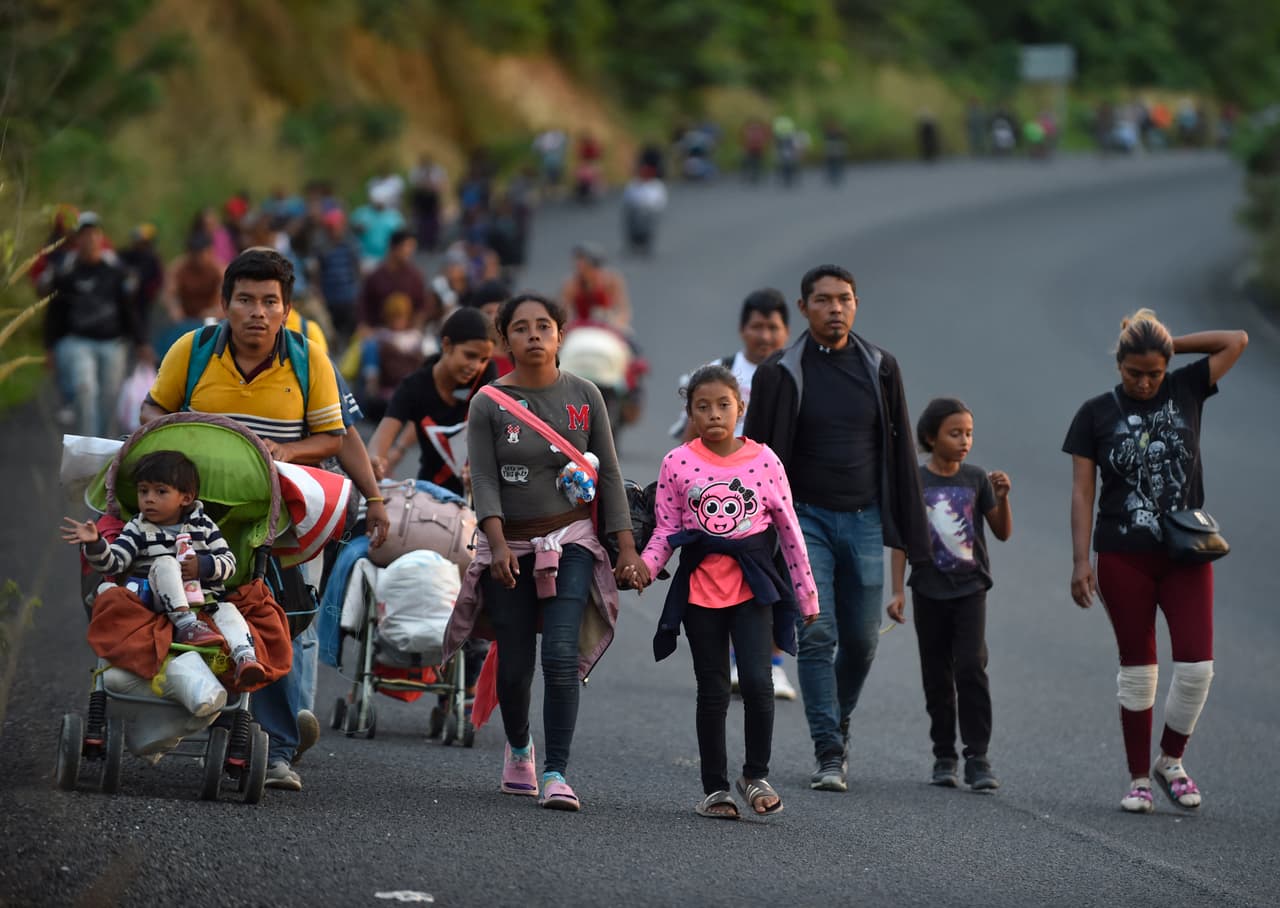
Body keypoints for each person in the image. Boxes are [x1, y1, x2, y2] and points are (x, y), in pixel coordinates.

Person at [141, 247, 388, 792]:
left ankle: (275, 749)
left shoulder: (309, 358)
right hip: (197, 515)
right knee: (185, 605)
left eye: (269, 302)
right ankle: (187, 713)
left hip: (281, 520)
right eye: (245, 299)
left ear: (286, 309)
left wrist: (291, 455)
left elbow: (336, 437)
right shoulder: (193, 350)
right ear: (225, 304)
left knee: (272, 615)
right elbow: (152, 412)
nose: (257, 311)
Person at [443, 293, 648, 812]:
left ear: (560, 336)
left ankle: (556, 771)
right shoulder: (488, 402)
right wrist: (494, 544)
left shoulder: (586, 396)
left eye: (544, 327)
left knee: (560, 655)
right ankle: (518, 748)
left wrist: (626, 548)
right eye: (521, 328)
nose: (534, 335)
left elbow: (610, 476)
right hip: (509, 545)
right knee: (514, 665)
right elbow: (483, 478)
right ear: (504, 340)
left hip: (572, 541)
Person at [743, 264, 930, 792]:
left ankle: (837, 719)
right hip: (805, 520)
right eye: (823, 300)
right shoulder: (779, 372)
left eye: (844, 299)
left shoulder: (881, 367)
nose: (835, 308)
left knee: (864, 641)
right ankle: (829, 749)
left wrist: (912, 538)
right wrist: (753, 536)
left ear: (856, 303)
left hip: (867, 519)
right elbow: (755, 458)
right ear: (803, 309)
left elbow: (900, 453)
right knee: (818, 632)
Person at [1063, 309, 1247, 813]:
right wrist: (1081, 561)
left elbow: (1236, 337)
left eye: (1154, 373)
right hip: (1123, 555)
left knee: (1196, 669)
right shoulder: (1094, 413)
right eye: (1134, 373)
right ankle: (1139, 779)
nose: (1145, 382)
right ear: (1118, 365)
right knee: (1139, 672)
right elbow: (1083, 493)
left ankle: (1171, 760)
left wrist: (1168, 344)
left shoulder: (1186, 388)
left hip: (1186, 552)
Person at [637, 365, 818, 819]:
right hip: (699, 592)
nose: (714, 414)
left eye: (723, 405)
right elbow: (666, 530)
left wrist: (807, 596)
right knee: (713, 689)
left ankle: (755, 775)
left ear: (741, 407)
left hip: (752, 588)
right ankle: (715, 788)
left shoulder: (765, 461)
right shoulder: (677, 462)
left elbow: (790, 531)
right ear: (690, 412)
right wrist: (643, 568)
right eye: (703, 407)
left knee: (758, 683)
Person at [671, 289, 796, 699]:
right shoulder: (721, 371)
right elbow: (691, 434)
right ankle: (729, 658)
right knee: (719, 573)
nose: (765, 336)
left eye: (773, 327)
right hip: (718, 496)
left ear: (786, 331)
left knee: (774, 578)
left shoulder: (793, 373)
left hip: (771, 494)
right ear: (743, 329)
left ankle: (772, 664)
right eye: (757, 326)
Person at [886, 399, 1012, 791]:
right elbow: (902, 542)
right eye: (954, 433)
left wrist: (1003, 497)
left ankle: (978, 757)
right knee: (936, 674)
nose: (964, 441)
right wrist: (896, 592)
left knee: (971, 666)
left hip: (971, 587)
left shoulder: (976, 479)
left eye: (969, 433)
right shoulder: (917, 482)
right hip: (927, 589)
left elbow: (1002, 532)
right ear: (930, 437)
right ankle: (944, 755)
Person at [62, 450, 266, 687]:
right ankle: (185, 624)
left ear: (185, 498)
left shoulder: (204, 526)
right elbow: (114, 562)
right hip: (158, 602)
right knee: (166, 562)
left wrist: (204, 565)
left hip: (204, 601)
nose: (149, 499)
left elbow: (229, 563)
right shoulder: (138, 527)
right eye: (143, 491)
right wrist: (96, 543)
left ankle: (245, 657)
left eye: (160, 492)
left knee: (229, 610)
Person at [45, 212, 151, 438]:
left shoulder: (116, 270)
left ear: (100, 237)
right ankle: (87, 445)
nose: (90, 239)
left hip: (113, 344)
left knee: (109, 399)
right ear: (77, 239)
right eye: (85, 235)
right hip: (79, 342)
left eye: (94, 234)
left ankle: (102, 447)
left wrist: (141, 342)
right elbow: (54, 311)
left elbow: (128, 309)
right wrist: (50, 346)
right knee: (85, 389)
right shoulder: (67, 272)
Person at [369, 307, 498, 492]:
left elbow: (497, 432)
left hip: (480, 495)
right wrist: (375, 460)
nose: (476, 366)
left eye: (483, 359)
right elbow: (380, 441)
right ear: (446, 345)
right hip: (432, 497)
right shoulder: (413, 387)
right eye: (469, 355)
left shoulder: (486, 376)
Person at [356, 229, 432, 336]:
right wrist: (365, 328)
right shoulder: (375, 277)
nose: (410, 252)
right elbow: (364, 307)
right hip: (378, 334)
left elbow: (421, 307)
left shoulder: (415, 277)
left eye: (412, 248)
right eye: (407, 246)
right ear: (394, 247)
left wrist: (416, 329)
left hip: (407, 335)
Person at [559, 243, 631, 329]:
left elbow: (623, 309)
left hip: (608, 325)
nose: (580, 270)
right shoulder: (571, 284)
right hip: (581, 326)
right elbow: (562, 310)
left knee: (628, 339)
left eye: (584, 267)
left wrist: (616, 321)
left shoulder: (611, 281)